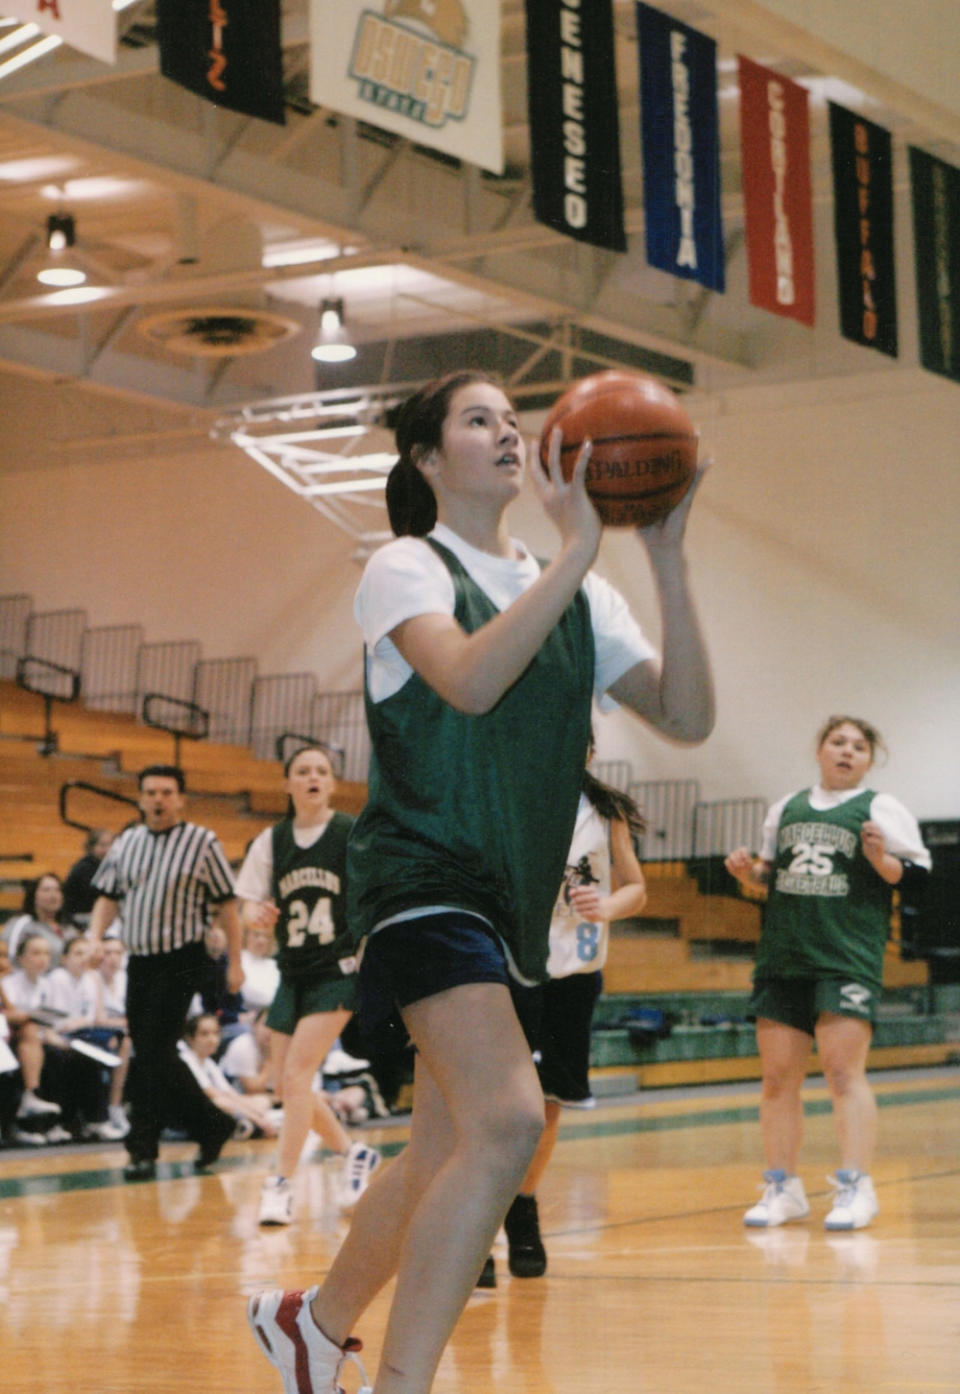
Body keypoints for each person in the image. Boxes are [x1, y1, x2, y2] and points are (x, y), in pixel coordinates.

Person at [246, 368, 713, 1394]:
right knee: (508, 1121)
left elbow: (687, 713)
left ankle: (312, 1323)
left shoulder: (583, 590)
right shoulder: (406, 564)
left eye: (514, 417)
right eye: (478, 420)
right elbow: (466, 678)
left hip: (515, 900)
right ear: (426, 456)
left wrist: (664, 557)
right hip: (422, 873)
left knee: (444, 1146)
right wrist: (579, 549)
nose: (508, 431)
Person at [725, 715, 931, 1232]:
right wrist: (747, 872)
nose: (847, 751)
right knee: (777, 1079)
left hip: (845, 956)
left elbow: (919, 877)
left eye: (859, 746)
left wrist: (881, 858)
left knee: (844, 1073)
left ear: (869, 760)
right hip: (784, 954)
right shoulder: (786, 808)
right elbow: (772, 876)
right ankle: (782, 1186)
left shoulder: (881, 808)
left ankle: (857, 1185)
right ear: (819, 750)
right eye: (837, 742)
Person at [483, 744, 648, 1284]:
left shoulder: (607, 810)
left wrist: (609, 906)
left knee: (551, 1098)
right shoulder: (507, 799)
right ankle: (476, 1225)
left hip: (574, 971)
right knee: (498, 1104)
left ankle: (522, 1208)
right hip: (515, 966)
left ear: (592, 748)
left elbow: (636, 888)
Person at [234, 744, 381, 1227]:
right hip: (292, 971)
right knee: (285, 1083)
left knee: (297, 1076)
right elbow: (246, 904)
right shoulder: (271, 841)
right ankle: (353, 1152)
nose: (313, 777)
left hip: (337, 971)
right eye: (303, 771)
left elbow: (375, 893)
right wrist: (252, 913)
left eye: (321, 771)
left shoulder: (349, 833)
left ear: (333, 784)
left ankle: (281, 1184)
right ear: (288, 784)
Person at [87, 764, 244, 1180]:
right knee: (152, 1055)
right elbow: (107, 896)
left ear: (180, 799)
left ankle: (144, 1146)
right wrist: (93, 935)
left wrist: (237, 962)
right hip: (140, 959)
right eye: (151, 791)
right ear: (140, 798)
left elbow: (228, 906)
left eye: (167, 792)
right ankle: (209, 1124)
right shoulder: (128, 843)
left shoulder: (202, 842)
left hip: (183, 958)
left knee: (154, 1052)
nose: (158, 799)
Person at [175, 1012, 279, 1164]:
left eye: (216, 1033)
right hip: (182, 1125)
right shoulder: (187, 1059)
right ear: (190, 1038)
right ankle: (249, 1125)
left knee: (259, 1101)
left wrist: (260, 1116)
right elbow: (212, 1094)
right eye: (204, 1034)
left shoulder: (208, 1063)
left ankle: (250, 1125)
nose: (212, 1040)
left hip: (222, 1108)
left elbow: (231, 1094)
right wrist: (258, 1118)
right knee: (220, 1102)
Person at [2, 872, 69, 967]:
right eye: (46, 890)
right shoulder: (22, 923)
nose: (53, 895)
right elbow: (8, 954)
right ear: (34, 895)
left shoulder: (68, 927)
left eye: (57, 890)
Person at [62, 829, 114, 926]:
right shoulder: (85, 867)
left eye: (110, 845)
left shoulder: (107, 866)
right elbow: (96, 897)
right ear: (91, 847)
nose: (108, 850)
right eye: (102, 845)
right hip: (80, 915)